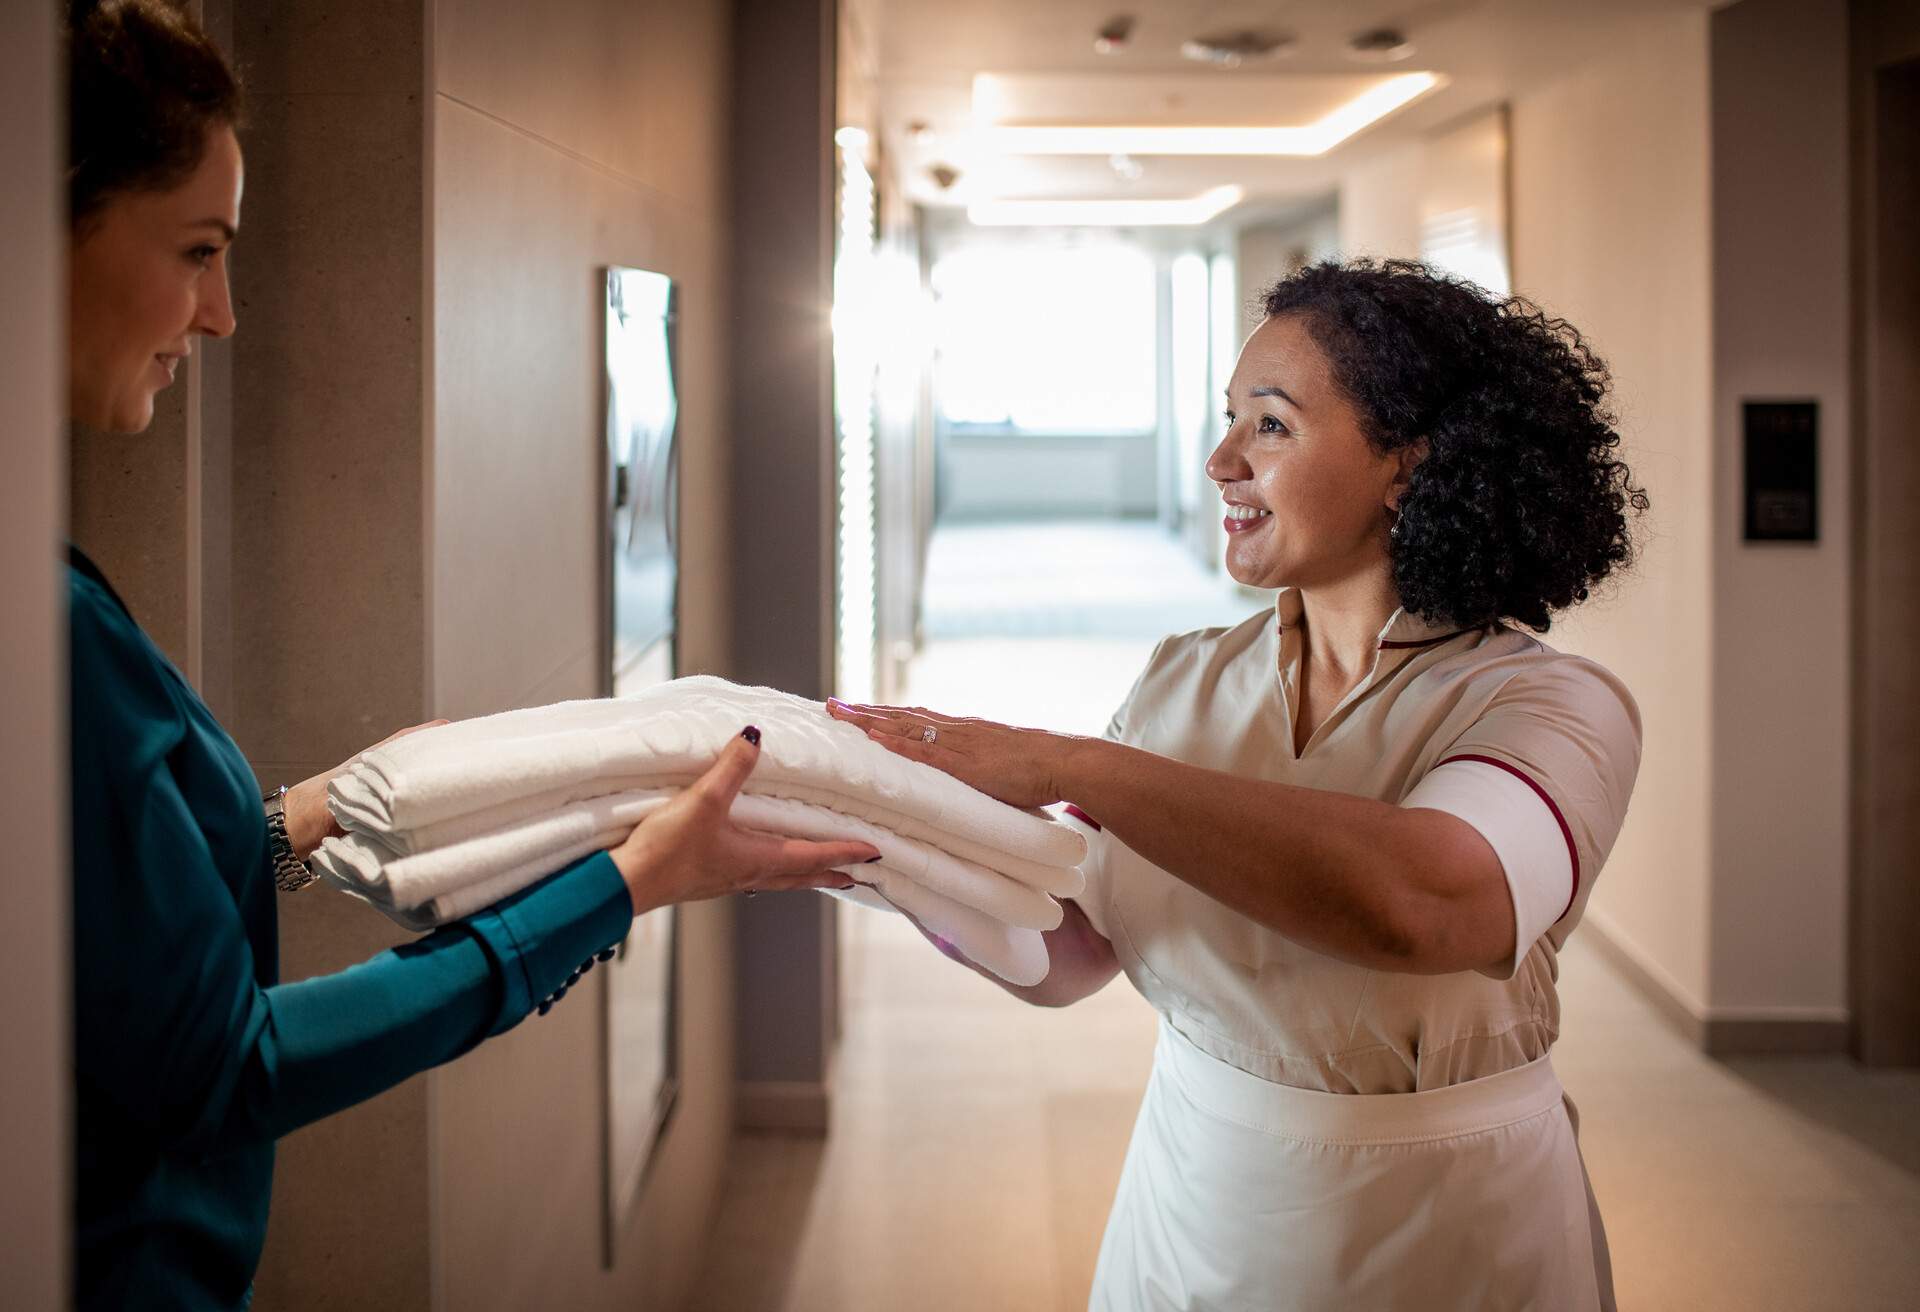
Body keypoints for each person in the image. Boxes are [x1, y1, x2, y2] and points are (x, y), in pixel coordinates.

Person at [61, 4, 881, 1307]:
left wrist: (313, 813)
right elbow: (225, 1071)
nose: (221, 315)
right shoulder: (41, 631)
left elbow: (98, 925)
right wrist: (621, 885)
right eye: (198, 250)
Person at [832, 258, 1647, 1311]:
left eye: (1269, 425)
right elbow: (1070, 953)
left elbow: (1429, 901)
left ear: (1410, 461)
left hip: (1449, 1225)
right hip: (1193, 1199)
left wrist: (1071, 764)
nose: (1220, 461)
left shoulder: (1552, 707)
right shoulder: (1185, 679)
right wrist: (865, 843)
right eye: (1228, 420)